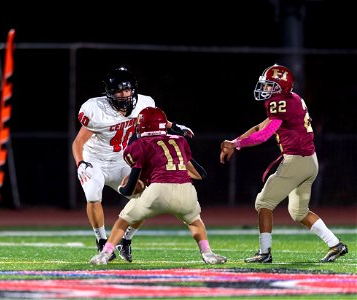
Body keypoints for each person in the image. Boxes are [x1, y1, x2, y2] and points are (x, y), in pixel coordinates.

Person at [219, 64, 348, 263]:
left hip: (295, 161)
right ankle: (335, 244)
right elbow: (259, 126)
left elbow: (264, 134)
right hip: (310, 162)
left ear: (281, 87)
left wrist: (240, 144)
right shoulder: (294, 99)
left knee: (263, 203)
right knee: (298, 212)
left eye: (270, 85)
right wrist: (235, 143)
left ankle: (264, 253)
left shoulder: (279, 102)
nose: (266, 89)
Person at [72, 66, 194, 262]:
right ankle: (102, 242)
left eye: (127, 90)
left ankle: (126, 239)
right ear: (109, 93)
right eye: (119, 91)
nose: (124, 95)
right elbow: (78, 142)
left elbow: (155, 120)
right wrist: (81, 163)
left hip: (121, 159)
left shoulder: (143, 103)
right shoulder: (96, 110)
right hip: (95, 160)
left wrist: (174, 126)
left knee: (146, 197)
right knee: (93, 194)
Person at [90, 106, 227, 265]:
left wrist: (123, 189)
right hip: (186, 190)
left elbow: (132, 182)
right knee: (195, 221)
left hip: (158, 191)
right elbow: (200, 173)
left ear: (141, 126)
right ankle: (207, 253)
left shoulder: (140, 144)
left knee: (124, 219)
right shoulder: (180, 141)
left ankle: (105, 254)